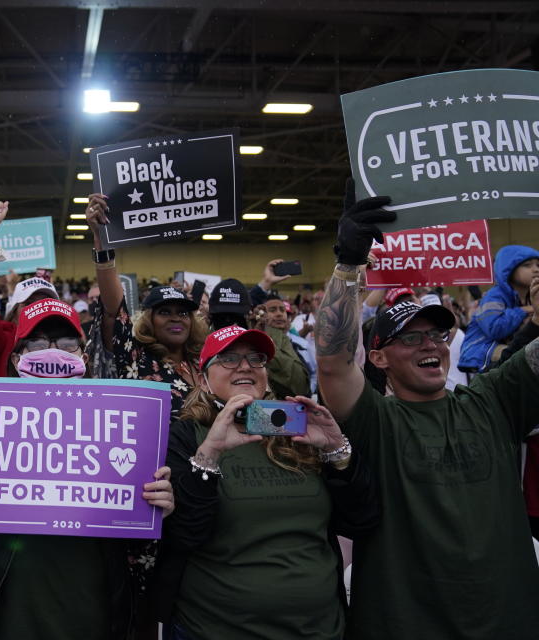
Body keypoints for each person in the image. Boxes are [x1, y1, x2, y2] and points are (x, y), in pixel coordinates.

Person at [315, 185, 539, 639]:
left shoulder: (492, 401)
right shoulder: (375, 421)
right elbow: (333, 360)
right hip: (406, 623)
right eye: (411, 338)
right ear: (378, 358)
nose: (431, 345)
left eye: (437, 336)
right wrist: (348, 264)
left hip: (508, 619)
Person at [0, 298, 174, 640]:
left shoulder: (122, 425)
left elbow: (144, 528)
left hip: (93, 611)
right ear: (17, 358)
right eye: (36, 343)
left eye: (66, 344)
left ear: (84, 356)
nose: (52, 352)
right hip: (4, 615)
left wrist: (158, 503)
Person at [157, 324, 377, 639]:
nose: (245, 365)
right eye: (229, 358)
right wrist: (209, 454)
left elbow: (361, 520)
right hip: (216, 629)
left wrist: (335, 450)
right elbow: (185, 534)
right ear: (203, 379)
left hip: (318, 628)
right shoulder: (185, 436)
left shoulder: (296, 429)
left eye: (256, 358)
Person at [84, 193, 207, 416]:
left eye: (182, 312)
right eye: (164, 312)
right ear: (149, 320)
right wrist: (101, 240)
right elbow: (113, 311)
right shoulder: (136, 357)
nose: (175, 317)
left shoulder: (205, 363)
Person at [0, 200, 59, 377]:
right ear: (13, 313)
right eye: (29, 303)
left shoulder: (69, 347)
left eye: (46, 303)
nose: (38, 309)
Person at [458, 244, 539, 372]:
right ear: (508, 269)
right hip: (480, 352)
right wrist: (525, 310)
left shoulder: (531, 297)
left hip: (507, 354)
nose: (535, 269)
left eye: (537, 265)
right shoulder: (494, 295)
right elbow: (495, 328)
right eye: (527, 265)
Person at [255, 293, 312, 397]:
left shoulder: (301, 344)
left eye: (282, 310)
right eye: (272, 310)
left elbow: (309, 377)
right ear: (261, 315)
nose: (279, 314)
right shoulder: (255, 341)